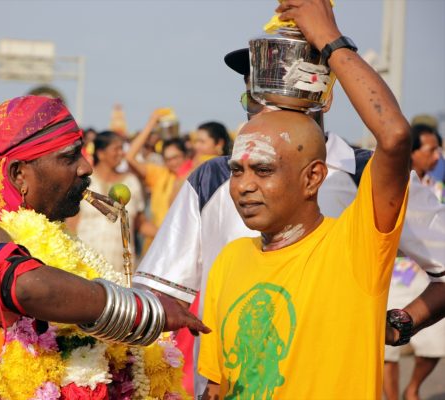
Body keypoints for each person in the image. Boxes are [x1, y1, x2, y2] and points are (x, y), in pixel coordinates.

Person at [135, 24, 445, 400]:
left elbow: (394, 137)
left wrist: (397, 324)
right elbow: (161, 300)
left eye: (284, 79)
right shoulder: (215, 186)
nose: (246, 186)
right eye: (254, 89)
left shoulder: (368, 184)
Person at [0, 96, 207, 399]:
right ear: (18, 174)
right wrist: (145, 310)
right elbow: (26, 285)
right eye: (69, 157)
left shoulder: (52, 235)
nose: (85, 167)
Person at [383, 124, 445, 400]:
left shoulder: (437, 187)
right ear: (413, 152)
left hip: (428, 278)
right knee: (387, 352)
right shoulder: (385, 186)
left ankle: (413, 388)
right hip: (393, 277)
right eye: (431, 150)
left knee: (435, 345)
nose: (437, 156)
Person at [68, 130, 155, 272]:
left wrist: (169, 235)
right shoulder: (85, 181)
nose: (121, 153)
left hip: (120, 267)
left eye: (122, 148)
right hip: (85, 265)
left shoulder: (131, 182)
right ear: (101, 154)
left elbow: (140, 222)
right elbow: (72, 223)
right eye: (116, 149)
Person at [126, 110, 193, 229]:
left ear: (186, 155)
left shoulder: (195, 174)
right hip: (158, 238)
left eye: (176, 157)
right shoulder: (161, 174)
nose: (172, 163)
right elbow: (130, 157)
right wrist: (151, 124)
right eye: (168, 159)